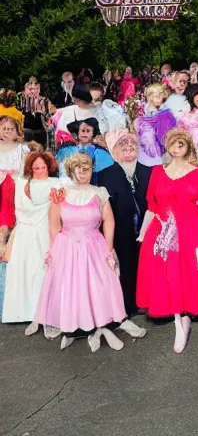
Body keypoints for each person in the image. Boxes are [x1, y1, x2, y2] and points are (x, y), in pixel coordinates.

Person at [36, 153, 145, 352]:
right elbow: (53, 225)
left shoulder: (99, 192)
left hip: (94, 244)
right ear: (71, 170)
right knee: (72, 287)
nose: (82, 171)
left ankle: (101, 323)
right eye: (78, 167)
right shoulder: (61, 193)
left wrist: (109, 247)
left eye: (86, 168)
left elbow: (109, 220)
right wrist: (55, 251)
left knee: (98, 285)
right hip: (67, 245)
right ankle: (74, 326)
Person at [137, 129, 198, 353]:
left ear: (187, 147)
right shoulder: (158, 172)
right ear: (168, 146)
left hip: (190, 230)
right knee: (167, 276)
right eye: (173, 143)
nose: (177, 148)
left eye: (181, 144)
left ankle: (183, 319)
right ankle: (177, 320)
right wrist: (159, 224)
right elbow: (152, 203)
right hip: (162, 230)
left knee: (186, 275)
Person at [1, 152, 60, 333]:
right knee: (21, 271)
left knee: (41, 271)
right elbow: (9, 208)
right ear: (30, 169)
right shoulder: (18, 185)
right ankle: (21, 312)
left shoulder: (55, 184)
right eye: (36, 168)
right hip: (23, 234)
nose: (41, 171)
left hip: (43, 230)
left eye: (43, 167)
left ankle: (43, 312)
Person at [101, 129, 152, 317]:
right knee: (125, 266)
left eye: (132, 146)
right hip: (120, 229)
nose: (129, 149)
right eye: (123, 147)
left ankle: (147, 303)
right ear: (114, 152)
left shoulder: (149, 171)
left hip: (147, 228)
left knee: (146, 267)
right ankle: (127, 305)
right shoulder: (105, 175)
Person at [0, 116, 30, 254]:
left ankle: (10, 240)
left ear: (17, 132)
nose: (7, 132)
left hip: (17, 185)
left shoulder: (22, 149)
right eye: (4, 128)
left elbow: (26, 169)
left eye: (11, 129)